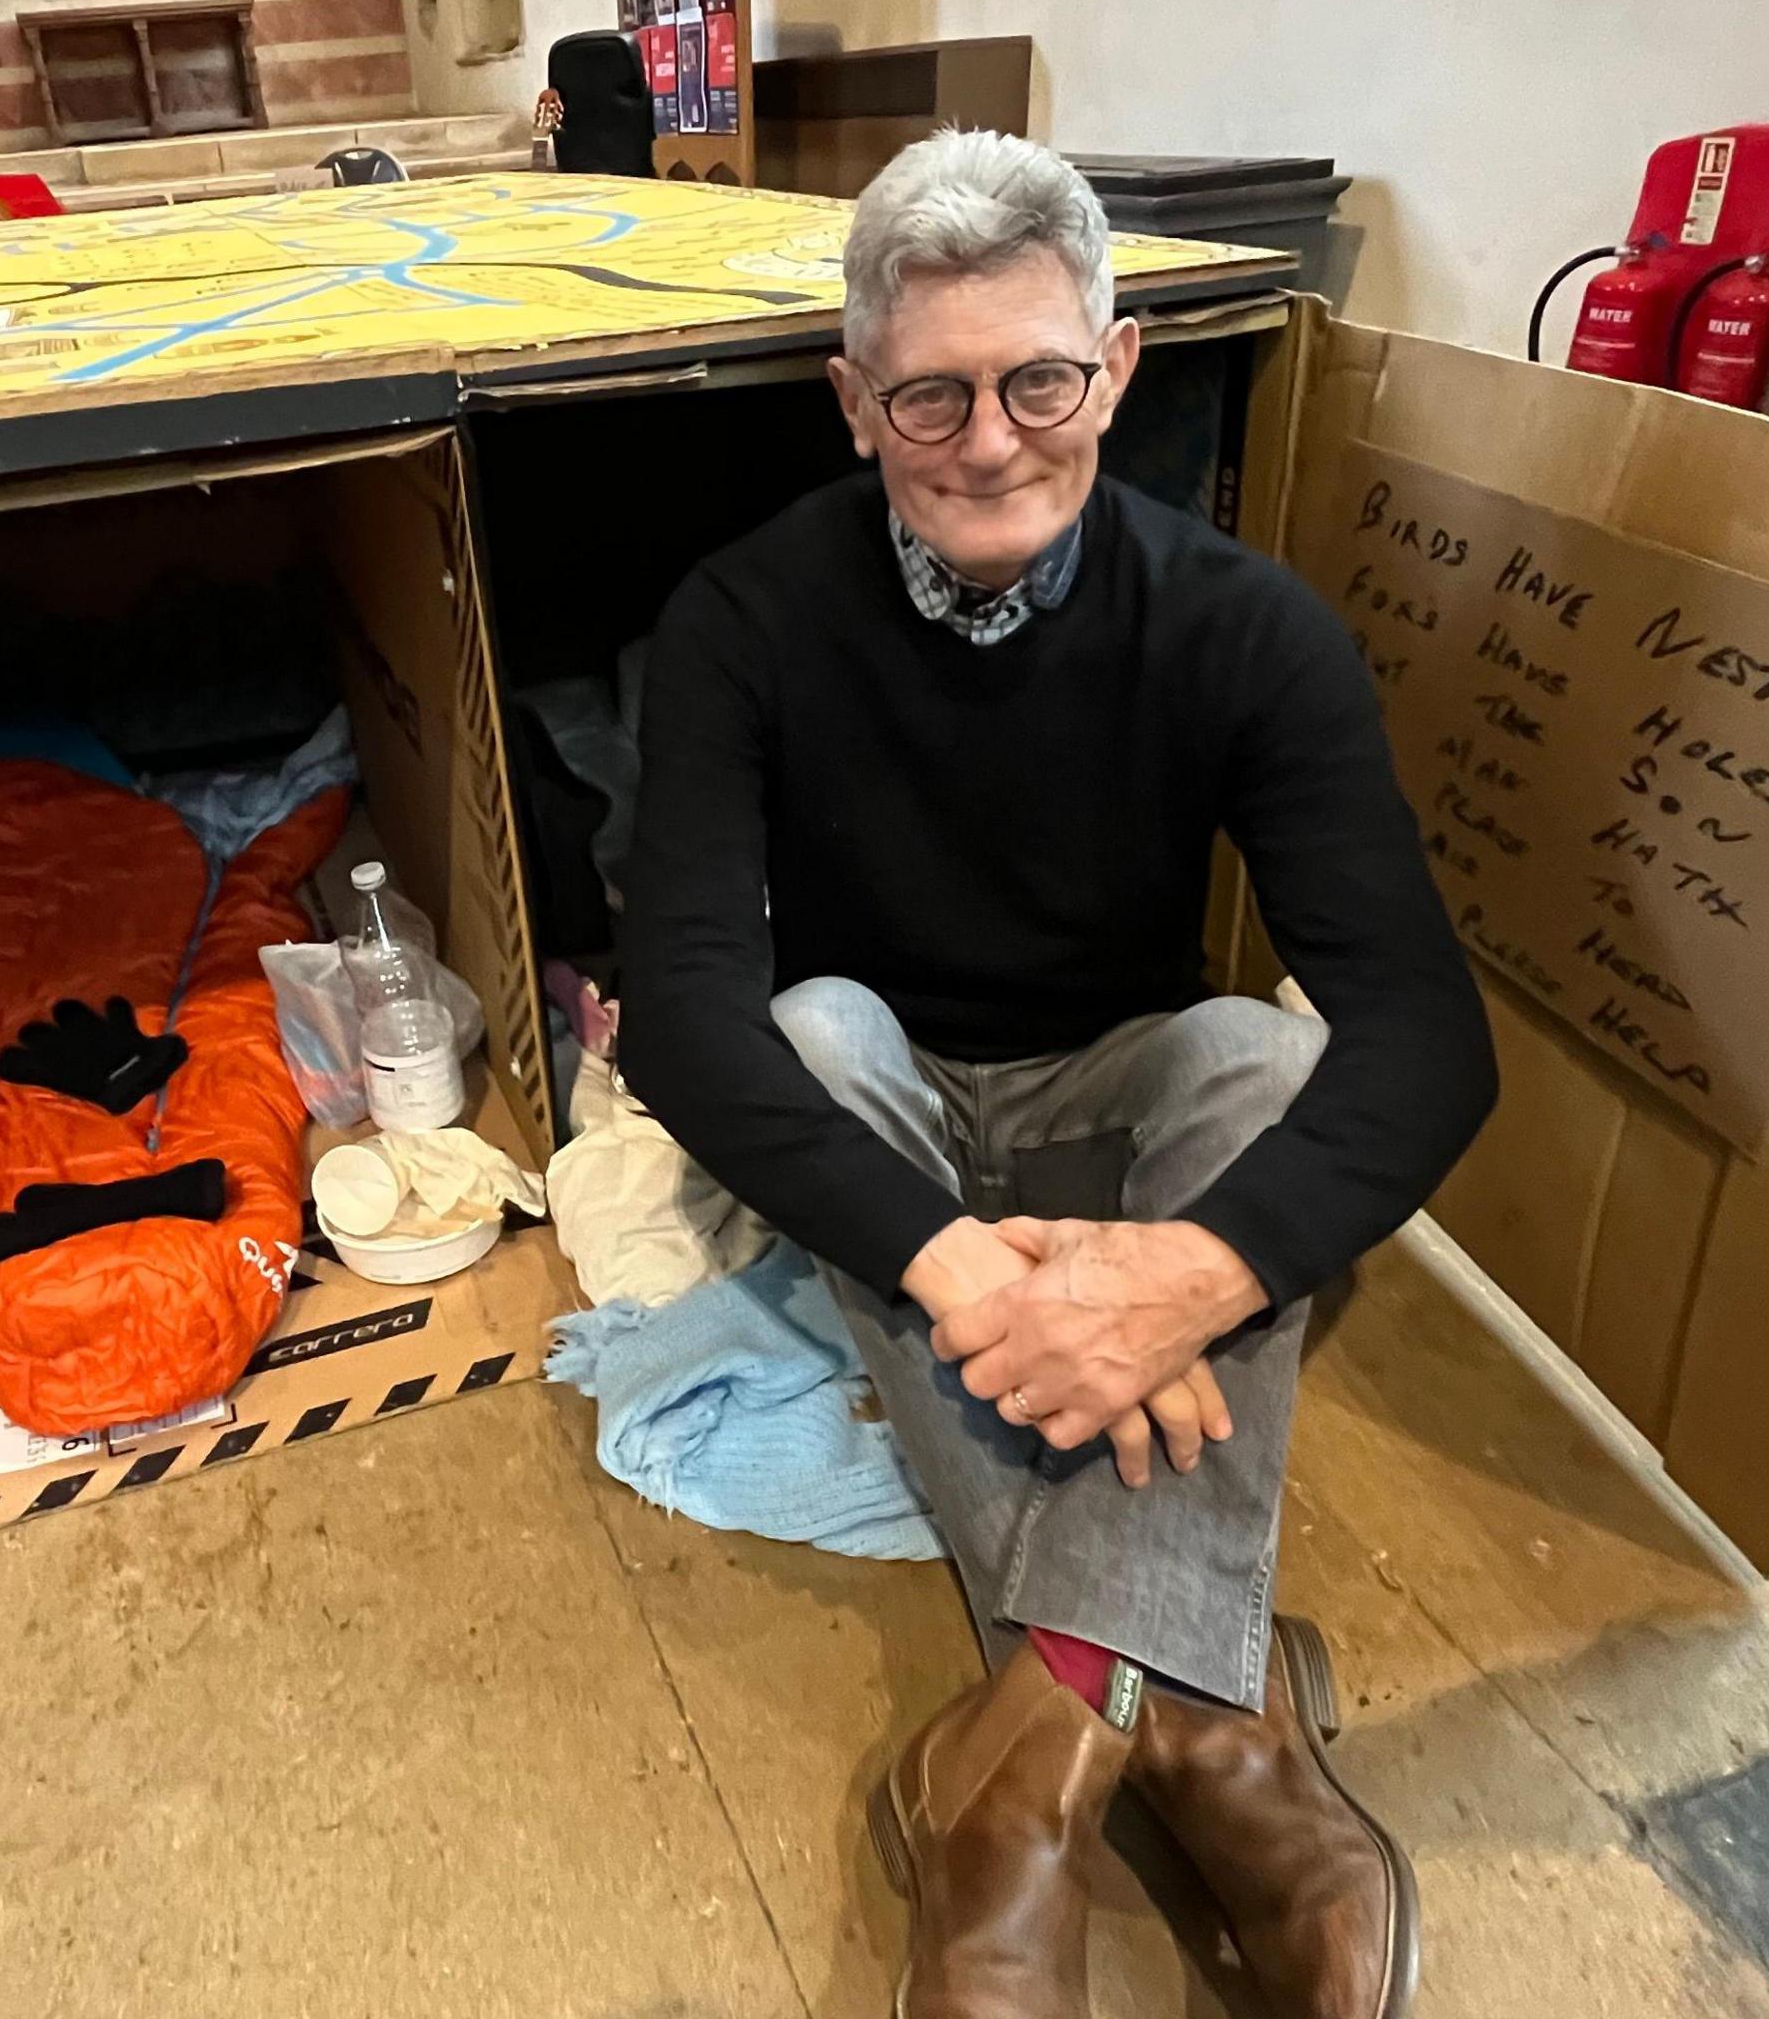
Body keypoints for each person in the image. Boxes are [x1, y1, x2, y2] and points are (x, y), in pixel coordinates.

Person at [622, 130, 1497, 2019]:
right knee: (809, 1037)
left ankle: (1016, 1764)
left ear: (1114, 371)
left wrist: (1191, 1274)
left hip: (1114, 1094)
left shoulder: (1248, 631)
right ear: (853, 404)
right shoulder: (738, 625)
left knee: (1265, 1059)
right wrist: (950, 1261)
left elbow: (1427, 1032)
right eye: (929, 393)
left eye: (1038, 380)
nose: (991, 439)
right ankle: (1210, 1716)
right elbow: (687, 1009)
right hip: (903, 1116)